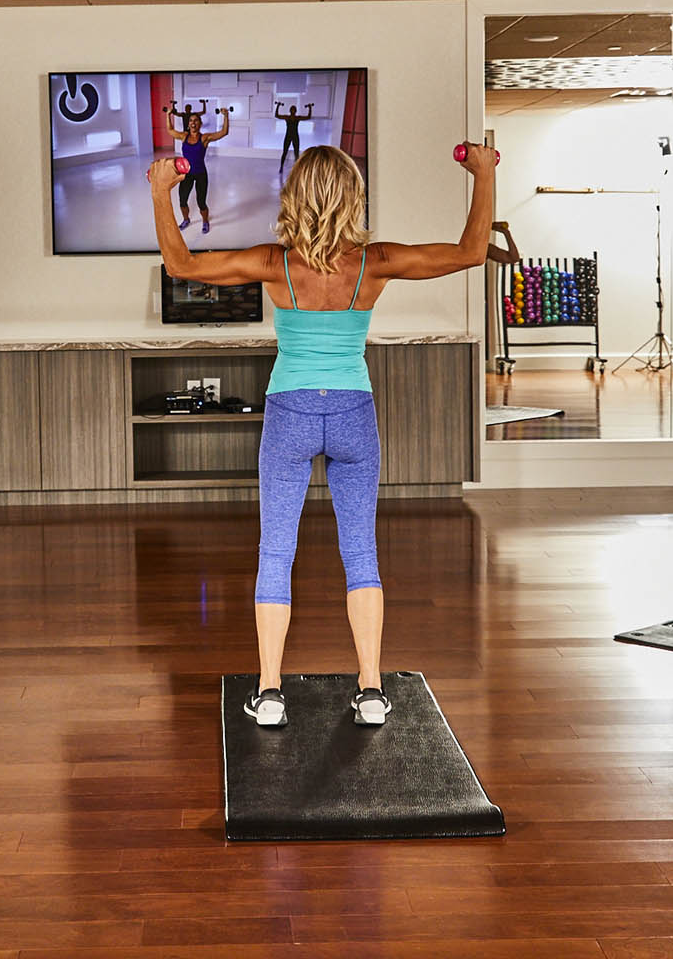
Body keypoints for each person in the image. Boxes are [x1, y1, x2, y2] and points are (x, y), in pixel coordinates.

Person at [148, 142, 497, 727]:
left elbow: (181, 265)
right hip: (354, 411)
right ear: (354, 198)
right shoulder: (375, 262)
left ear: (294, 197)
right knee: (360, 553)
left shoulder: (274, 263)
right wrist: (483, 174)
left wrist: (161, 192)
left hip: (291, 412)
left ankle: (269, 693)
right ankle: (371, 691)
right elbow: (471, 252)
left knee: (276, 552)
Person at [166, 105, 232, 235]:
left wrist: (226, 116)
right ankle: (186, 220)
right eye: (191, 120)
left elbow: (224, 132)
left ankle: (205, 221)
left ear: (200, 124)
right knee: (182, 201)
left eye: (196, 120)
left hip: (201, 173)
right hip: (186, 174)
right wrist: (168, 115)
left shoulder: (204, 138)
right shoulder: (184, 136)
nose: (193, 123)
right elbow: (170, 130)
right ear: (188, 124)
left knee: (201, 202)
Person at [274, 101, 314, 174]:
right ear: (290, 111)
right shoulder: (287, 117)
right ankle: (281, 167)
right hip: (288, 136)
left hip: (295, 136)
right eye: (292, 109)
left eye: (294, 109)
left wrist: (310, 108)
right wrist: (278, 106)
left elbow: (308, 117)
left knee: (296, 153)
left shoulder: (297, 118)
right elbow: (277, 115)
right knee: (285, 152)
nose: (293, 111)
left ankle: (296, 168)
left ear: (295, 111)